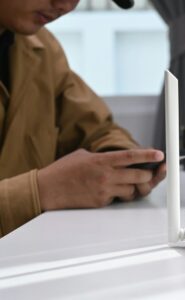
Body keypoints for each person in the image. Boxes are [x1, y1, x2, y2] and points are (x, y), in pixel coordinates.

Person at [0, 0, 166, 237]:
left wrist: (120, 166)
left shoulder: (43, 49)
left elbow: (98, 131)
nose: (65, 5)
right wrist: (40, 192)